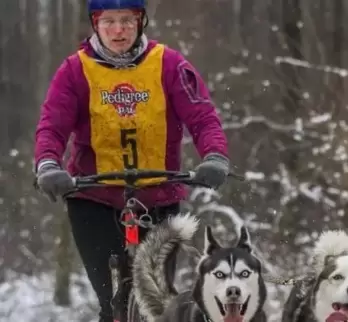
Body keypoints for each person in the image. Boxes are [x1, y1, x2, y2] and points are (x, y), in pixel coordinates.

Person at [33, 0, 229, 321]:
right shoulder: (74, 70)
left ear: (141, 21)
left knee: (156, 302)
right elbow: (52, 126)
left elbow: (203, 118)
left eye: (127, 20)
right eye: (109, 21)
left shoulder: (169, 64)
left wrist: (215, 156)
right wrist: (48, 165)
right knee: (115, 303)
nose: (118, 30)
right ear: (95, 23)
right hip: (93, 199)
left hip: (158, 196)